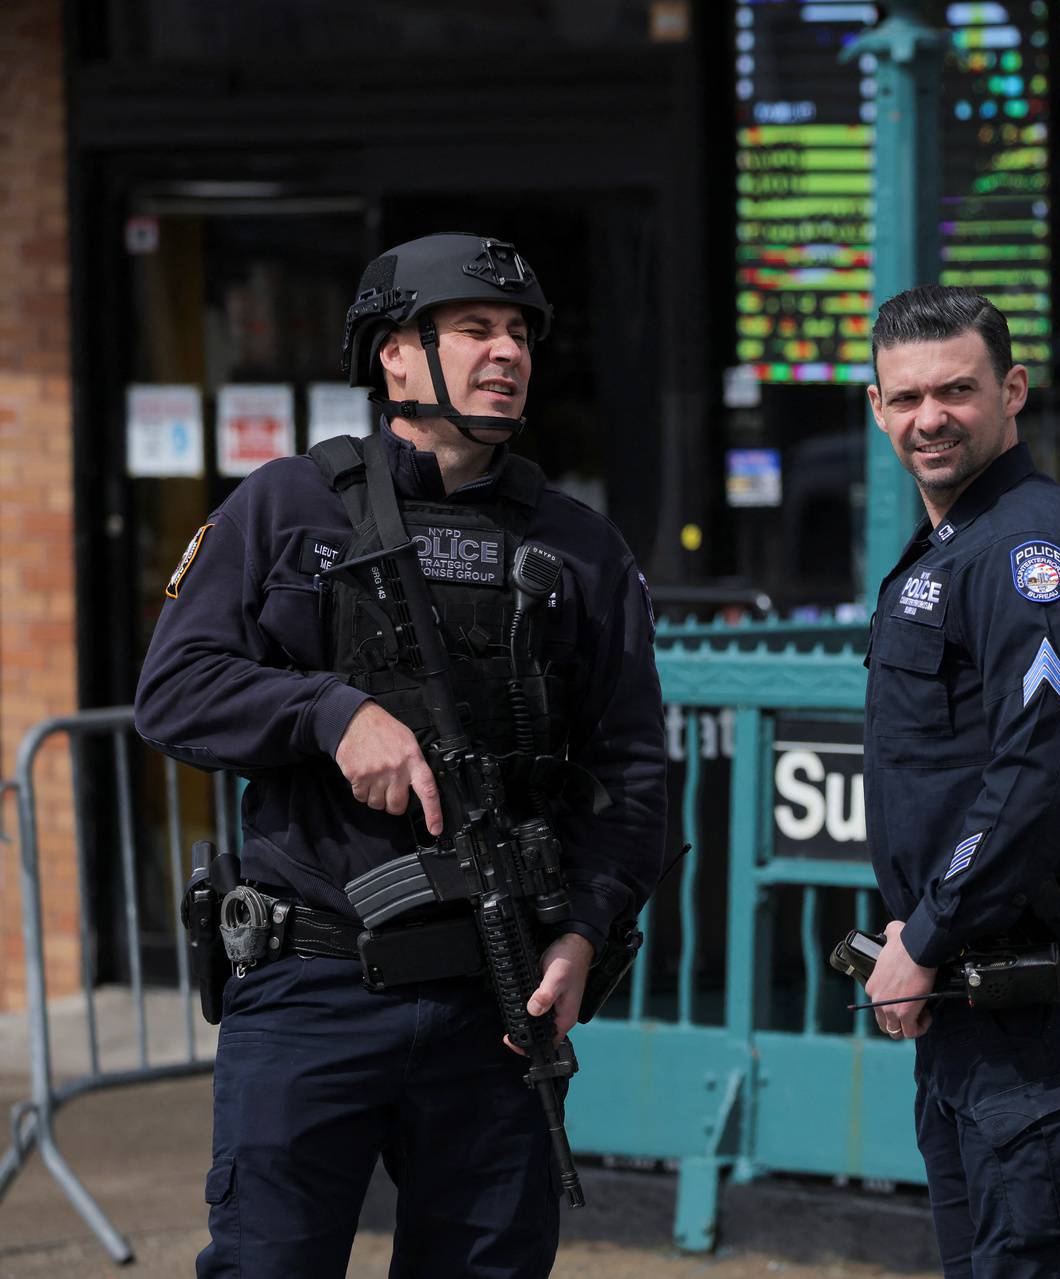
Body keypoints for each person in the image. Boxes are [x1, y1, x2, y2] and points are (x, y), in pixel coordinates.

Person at [134, 233, 668, 1278]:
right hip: (311, 984)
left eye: (518, 333)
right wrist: (327, 713)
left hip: (497, 1002)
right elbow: (174, 690)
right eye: (474, 328)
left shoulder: (582, 550)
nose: (506, 352)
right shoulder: (287, 506)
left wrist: (584, 935)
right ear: (393, 355)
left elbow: (633, 774)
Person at [859, 285, 1060, 1278]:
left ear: (1012, 391)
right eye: (905, 398)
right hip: (968, 1011)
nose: (929, 417)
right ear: (876, 407)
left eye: (957, 390)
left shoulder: (1034, 548)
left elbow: (1039, 777)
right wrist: (914, 935)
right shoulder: (949, 545)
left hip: (1035, 1013)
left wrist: (929, 932)